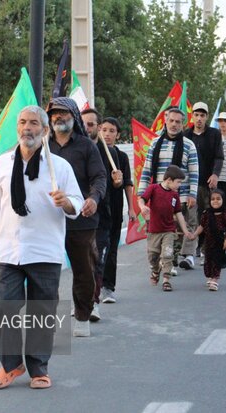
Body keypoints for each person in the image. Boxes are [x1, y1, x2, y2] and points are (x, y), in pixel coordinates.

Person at [0, 105, 83, 390]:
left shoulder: (59, 167)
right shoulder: (2, 163)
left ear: (45, 130)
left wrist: (67, 202)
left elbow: (77, 202)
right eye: (23, 122)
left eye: (34, 123)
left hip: (45, 250)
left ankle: (39, 367)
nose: (28, 128)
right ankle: (10, 365)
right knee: (3, 308)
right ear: (18, 128)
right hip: (8, 250)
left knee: (42, 311)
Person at [46, 97, 107, 337]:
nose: (58, 117)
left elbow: (99, 177)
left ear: (73, 116)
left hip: (82, 218)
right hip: (49, 220)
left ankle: (82, 315)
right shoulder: (42, 146)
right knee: (46, 271)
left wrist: (93, 199)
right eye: (54, 114)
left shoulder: (86, 146)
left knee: (83, 269)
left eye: (63, 113)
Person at [138, 107, 199, 271]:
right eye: (171, 120)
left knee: (181, 228)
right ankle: (165, 261)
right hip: (160, 197)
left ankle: (181, 258)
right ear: (166, 121)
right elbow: (147, 170)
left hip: (183, 195)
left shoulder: (189, 145)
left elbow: (194, 171)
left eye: (178, 122)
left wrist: (193, 194)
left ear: (183, 124)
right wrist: (141, 196)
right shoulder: (155, 143)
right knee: (162, 232)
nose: (174, 124)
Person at [81, 108, 121, 322]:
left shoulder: (109, 153)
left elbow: (116, 186)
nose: (87, 128)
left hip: (102, 217)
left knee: (96, 261)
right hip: (76, 216)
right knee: (81, 263)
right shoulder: (74, 149)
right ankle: (81, 302)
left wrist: (117, 182)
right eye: (84, 124)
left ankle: (93, 304)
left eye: (91, 125)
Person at [138, 166, 193, 292]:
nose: (179, 185)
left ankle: (166, 280)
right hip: (153, 231)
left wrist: (185, 231)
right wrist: (142, 207)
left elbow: (178, 214)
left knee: (167, 254)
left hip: (168, 231)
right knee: (153, 256)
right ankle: (155, 271)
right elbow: (142, 199)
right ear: (169, 180)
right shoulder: (154, 188)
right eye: (178, 182)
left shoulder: (175, 195)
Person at [99, 117, 135, 304]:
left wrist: (131, 208)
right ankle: (93, 287)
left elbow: (127, 184)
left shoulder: (121, 157)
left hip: (114, 209)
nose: (107, 134)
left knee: (111, 249)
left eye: (111, 131)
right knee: (94, 251)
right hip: (96, 209)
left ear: (118, 135)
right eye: (103, 130)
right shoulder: (93, 152)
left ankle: (108, 288)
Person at [184, 101, 224, 261]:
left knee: (209, 215)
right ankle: (193, 249)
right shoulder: (186, 135)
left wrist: (215, 174)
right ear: (192, 116)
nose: (199, 118)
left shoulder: (214, 134)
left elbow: (219, 157)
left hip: (208, 183)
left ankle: (209, 248)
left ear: (207, 117)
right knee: (193, 216)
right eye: (196, 115)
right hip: (190, 184)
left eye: (202, 115)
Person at [190, 189, 226, 291]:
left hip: (220, 242)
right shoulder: (206, 213)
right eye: (213, 199)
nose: (215, 201)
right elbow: (201, 226)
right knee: (208, 261)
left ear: (223, 200)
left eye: (218, 199)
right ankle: (211, 276)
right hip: (208, 242)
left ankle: (215, 279)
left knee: (216, 261)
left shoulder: (225, 215)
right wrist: (194, 235)